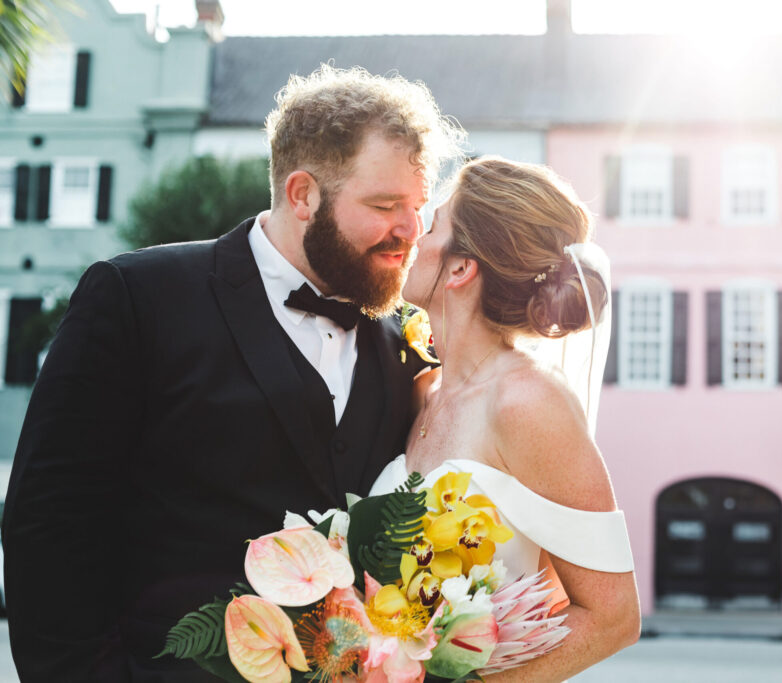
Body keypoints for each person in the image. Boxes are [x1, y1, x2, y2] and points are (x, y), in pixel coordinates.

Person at [1, 66, 463, 681]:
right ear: (302, 194)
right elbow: (49, 524)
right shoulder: (138, 298)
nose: (410, 231)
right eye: (384, 206)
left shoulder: (405, 343)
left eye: (417, 207)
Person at [369, 157, 642, 681]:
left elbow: (614, 619)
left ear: (460, 268)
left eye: (434, 226)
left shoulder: (527, 401)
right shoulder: (425, 390)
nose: (415, 239)